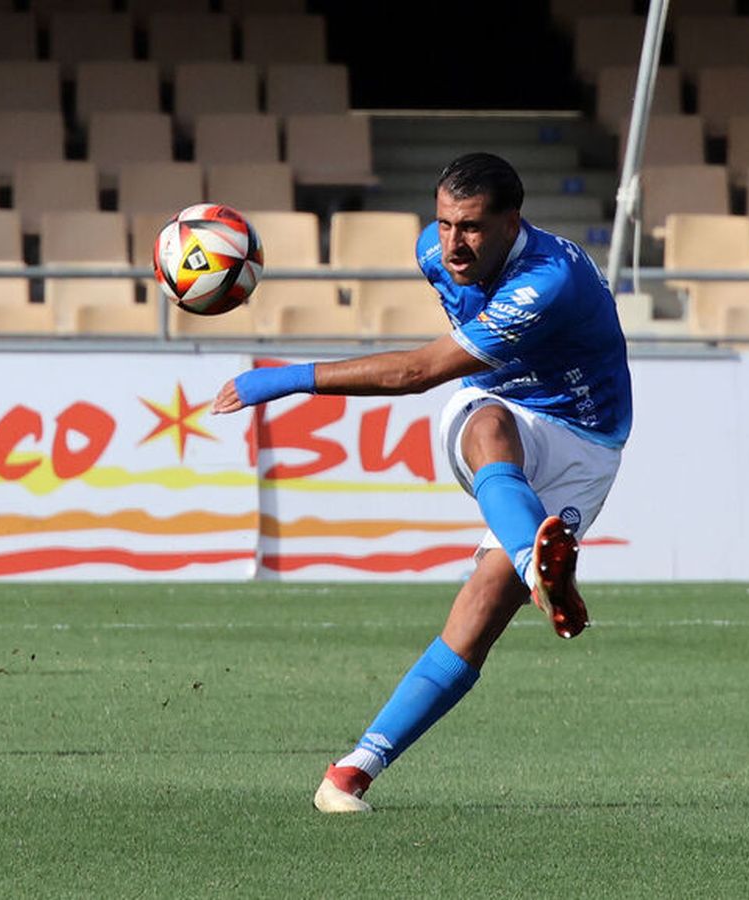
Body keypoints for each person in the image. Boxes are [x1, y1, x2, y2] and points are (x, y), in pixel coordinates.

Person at [212, 152, 633, 813]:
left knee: (477, 620)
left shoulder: (546, 279)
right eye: (443, 224)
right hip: (498, 416)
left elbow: (415, 373)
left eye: (469, 227)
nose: (452, 244)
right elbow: (451, 367)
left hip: (586, 442)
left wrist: (282, 378)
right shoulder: (433, 253)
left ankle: (351, 772)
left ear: (510, 223)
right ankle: (536, 562)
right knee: (486, 419)